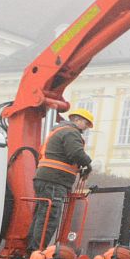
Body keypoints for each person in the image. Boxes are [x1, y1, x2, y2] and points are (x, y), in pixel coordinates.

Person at [31, 107, 94, 250]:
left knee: (41, 216)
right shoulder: (71, 132)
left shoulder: (59, 131)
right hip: (55, 180)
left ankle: (32, 249)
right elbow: (76, 153)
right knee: (49, 218)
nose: (86, 128)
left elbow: (64, 156)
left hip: (45, 179)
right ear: (77, 120)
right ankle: (37, 251)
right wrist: (88, 164)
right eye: (86, 123)